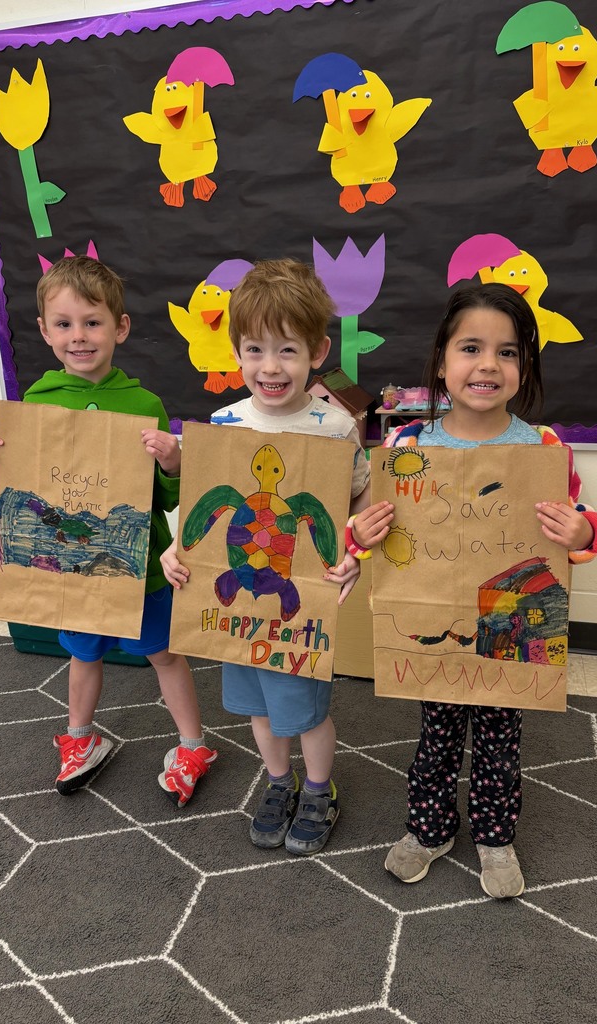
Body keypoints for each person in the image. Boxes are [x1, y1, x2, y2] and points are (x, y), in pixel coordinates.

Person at [349, 282, 597, 898]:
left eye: (509, 352)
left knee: (498, 740)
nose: (488, 364)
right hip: (433, 625)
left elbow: (581, 526)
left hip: (511, 624)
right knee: (435, 735)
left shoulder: (544, 450)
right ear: (441, 362)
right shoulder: (407, 448)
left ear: (526, 367)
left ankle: (495, 836)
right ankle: (430, 827)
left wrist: (581, 530)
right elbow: (375, 535)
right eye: (470, 348)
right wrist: (359, 533)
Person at [0, 255, 217, 806]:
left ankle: (194, 743)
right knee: (83, 652)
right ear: (44, 331)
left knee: (164, 652)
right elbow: (18, 493)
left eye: (93, 322)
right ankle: (79, 737)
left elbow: (169, 496)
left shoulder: (144, 404)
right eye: (64, 323)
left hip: (140, 562)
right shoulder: (35, 402)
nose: (78, 336)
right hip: (68, 569)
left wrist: (173, 462)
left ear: (120, 328)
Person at [162, 258, 370, 855]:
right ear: (236, 352)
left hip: (296, 605)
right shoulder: (223, 423)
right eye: (254, 350)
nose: (270, 367)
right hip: (236, 607)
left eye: (286, 350)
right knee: (254, 703)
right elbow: (205, 503)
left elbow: (361, 494)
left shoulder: (334, 426)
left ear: (317, 350)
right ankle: (278, 783)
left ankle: (319, 790)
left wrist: (353, 549)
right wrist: (180, 551)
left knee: (302, 711)